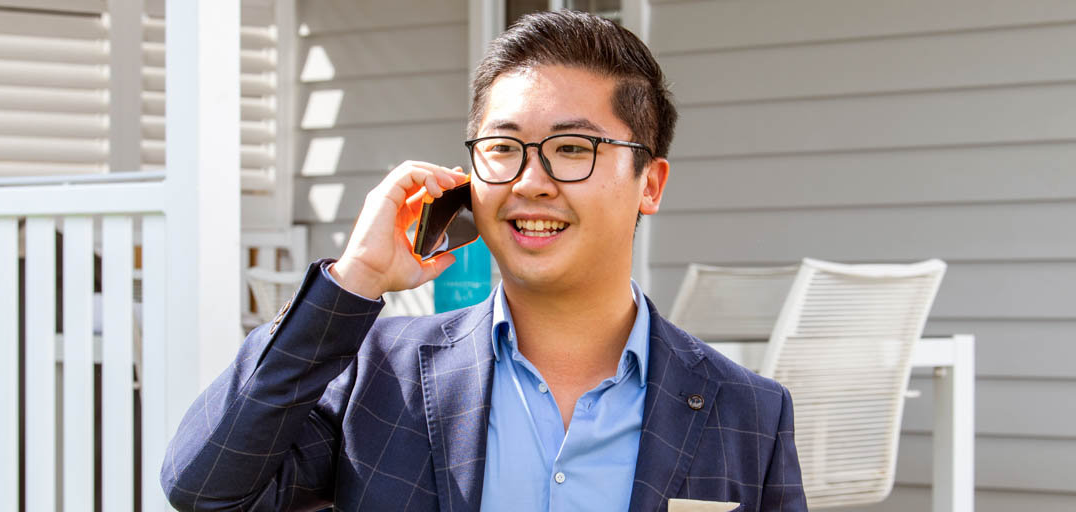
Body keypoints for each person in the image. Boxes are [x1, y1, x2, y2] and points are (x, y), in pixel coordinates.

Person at [161, 10, 805, 512]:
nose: (531, 180)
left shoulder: (749, 413)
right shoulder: (380, 376)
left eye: (573, 147)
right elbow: (206, 486)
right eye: (503, 147)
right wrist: (352, 279)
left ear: (651, 184)